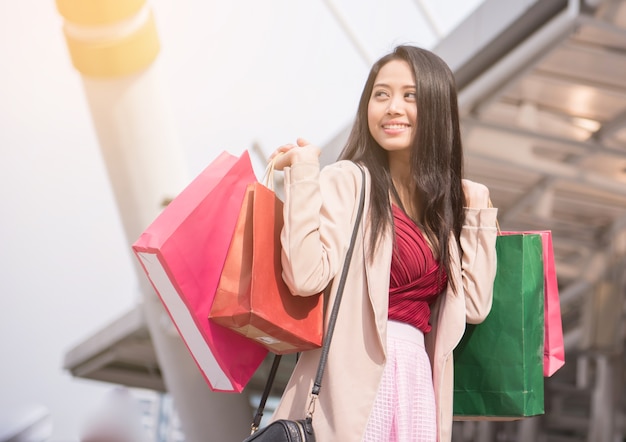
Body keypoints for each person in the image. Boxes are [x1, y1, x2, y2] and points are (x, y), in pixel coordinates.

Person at [268, 45, 498, 442]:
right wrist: (305, 174)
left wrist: (476, 215)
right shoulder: (349, 180)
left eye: (410, 96)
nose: (393, 107)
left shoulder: (437, 212)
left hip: (416, 382)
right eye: (381, 94)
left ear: (437, 110)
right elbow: (305, 278)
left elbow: (474, 307)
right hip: (350, 380)